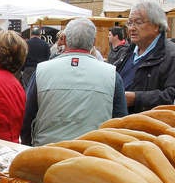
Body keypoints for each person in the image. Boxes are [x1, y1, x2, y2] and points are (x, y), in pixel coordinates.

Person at [22, 18, 128, 146]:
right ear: (93, 42)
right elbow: (120, 122)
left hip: (47, 151)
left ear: (65, 39)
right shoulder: (112, 75)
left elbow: (27, 117)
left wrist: (28, 147)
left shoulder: (41, 71)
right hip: (92, 154)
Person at [115, 0, 175, 113]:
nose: (132, 28)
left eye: (138, 22)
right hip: (119, 123)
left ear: (156, 26)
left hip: (148, 126)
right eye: (130, 23)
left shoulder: (173, 55)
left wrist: (137, 98)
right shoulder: (127, 52)